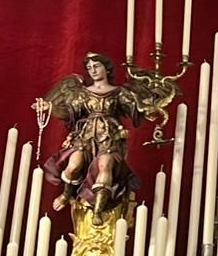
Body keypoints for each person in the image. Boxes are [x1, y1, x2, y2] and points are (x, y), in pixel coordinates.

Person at [35, 52, 143, 213]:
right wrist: (50, 108)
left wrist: (146, 105)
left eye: (96, 66)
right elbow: (70, 113)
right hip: (85, 137)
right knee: (73, 166)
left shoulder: (118, 92)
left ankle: (98, 212)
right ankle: (66, 194)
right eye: (89, 67)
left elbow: (136, 110)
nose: (92, 70)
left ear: (106, 68)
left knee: (104, 166)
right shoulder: (83, 93)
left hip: (109, 138)